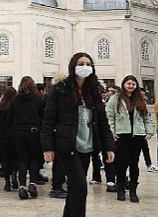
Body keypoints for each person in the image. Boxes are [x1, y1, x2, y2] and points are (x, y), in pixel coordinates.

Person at [42, 52, 115, 217]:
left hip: (87, 145)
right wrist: (48, 147)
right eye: (81, 64)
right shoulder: (60, 89)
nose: (84, 67)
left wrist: (109, 147)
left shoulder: (94, 91)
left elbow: (102, 122)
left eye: (88, 64)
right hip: (67, 145)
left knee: (75, 188)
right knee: (81, 187)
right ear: (73, 66)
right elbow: (48, 120)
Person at [106, 75, 155, 202]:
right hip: (122, 135)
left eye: (133, 84)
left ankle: (133, 191)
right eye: (129, 84)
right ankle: (121, 189)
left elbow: (147, 117)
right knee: (121, 164)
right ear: (123, 84)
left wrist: (149, 130)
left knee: (134, 164)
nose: (131, 86)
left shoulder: (140, 99)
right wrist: (111, 131)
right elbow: (109, 116)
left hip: (137, 136)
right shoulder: (115, 98)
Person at [9, 76, 44, 199]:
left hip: (18, 132)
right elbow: (41, 115)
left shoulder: (14, 99)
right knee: (34, 158)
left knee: (22, 159)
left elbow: (10, 117)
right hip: (33, 131)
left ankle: (22, 186)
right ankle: (32, 184)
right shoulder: (37, 99)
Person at [0, 86, 18, 192]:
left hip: (2, 137)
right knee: (16, 158)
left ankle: (7, 182)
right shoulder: (16, 106)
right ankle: (14, 176)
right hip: (15, 136)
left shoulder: (0, 107)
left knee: (5, 159)